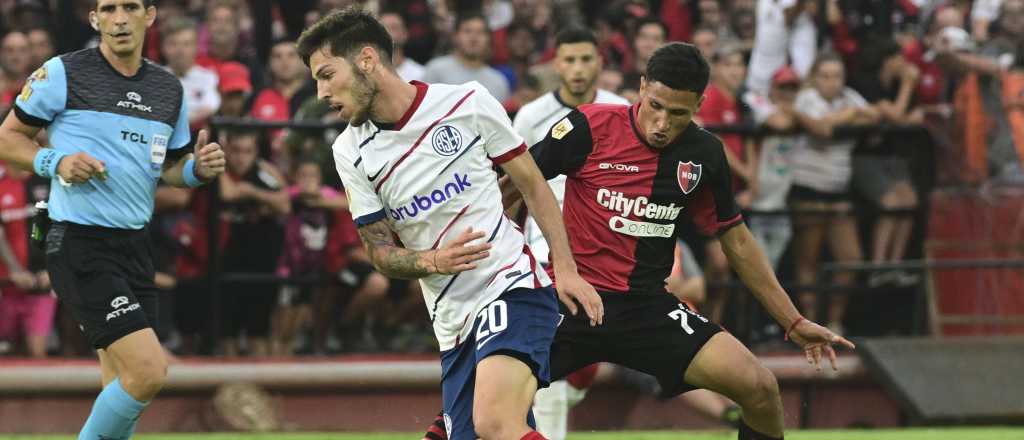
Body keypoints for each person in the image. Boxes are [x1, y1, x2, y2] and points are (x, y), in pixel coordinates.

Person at [432, 42, 855, 440]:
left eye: (678, 114)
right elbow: (513, 188)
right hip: (571, 302)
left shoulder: (705, 153)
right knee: (473, 415)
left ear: (699, 106)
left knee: (761, 388)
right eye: (655, 106)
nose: (661, 124)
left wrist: (792, 321)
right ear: (640, 89)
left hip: (647, 309)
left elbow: (737, 241)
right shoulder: (587, 126)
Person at [298, 9, 602, 440]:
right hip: (451, 321)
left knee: (495, 423)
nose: (322, 91)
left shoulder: (466, 102)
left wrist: (566, 269)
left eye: (327, 74)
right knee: (498, 430)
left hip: (511, 284)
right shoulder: (350, 151)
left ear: (367, 59)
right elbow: (379, 251)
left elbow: (533, 185)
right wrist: (433, 259)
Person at [0, 1, 225, 439]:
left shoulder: (168, 88)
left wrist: (198, 170)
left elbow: (173, 167)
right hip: (79, 244)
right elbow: (7, 138)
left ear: (150, 15)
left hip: (136, 246)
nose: (120, 17)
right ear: (95, 19)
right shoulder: (62, 72)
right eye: (109, 8)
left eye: (130, 7)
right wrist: (55, 161)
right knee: (149, 373)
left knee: (121, 384)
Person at [509, 27, 629, 440]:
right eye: (569, 60)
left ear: (599, 62)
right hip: (546, 254)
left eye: (586, 59)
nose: (578, 69)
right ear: (556, 64)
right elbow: (516, 187)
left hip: (607, 257)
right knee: (552, 373)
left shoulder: (622, 110)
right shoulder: (531, 117)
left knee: (580, 369)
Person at [422, 13, 511, 102]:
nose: (474, 38)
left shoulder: (499, 82)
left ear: (488, 39)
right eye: (467, 31)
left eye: (480, 32)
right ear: (455, 36)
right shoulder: (436, 70)